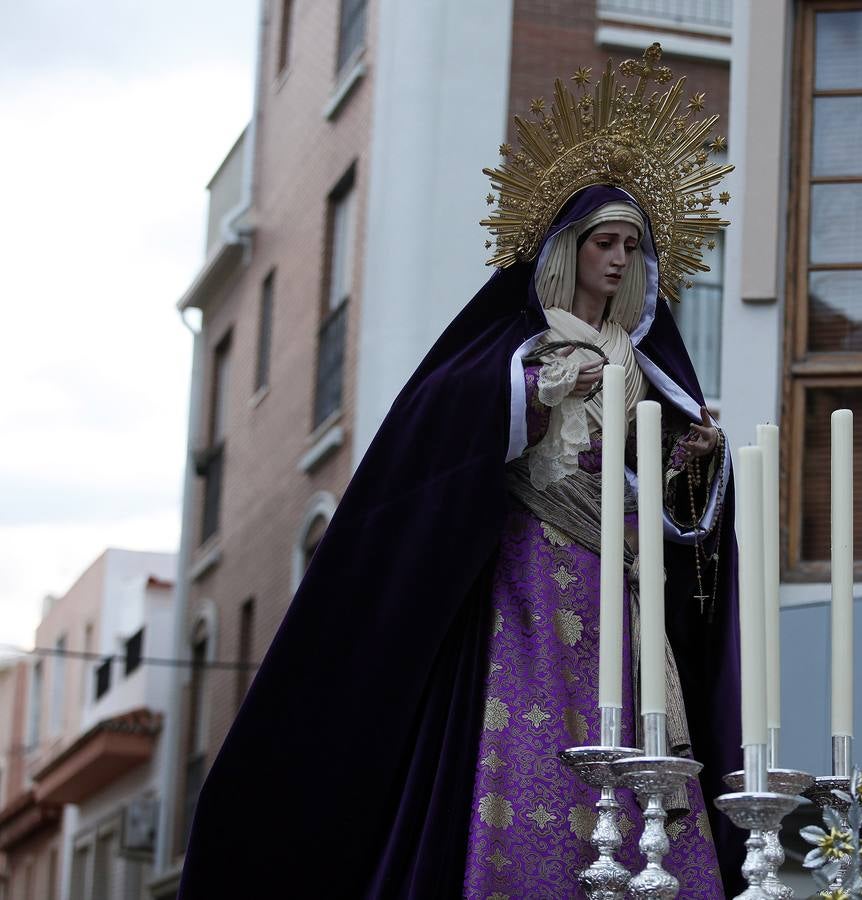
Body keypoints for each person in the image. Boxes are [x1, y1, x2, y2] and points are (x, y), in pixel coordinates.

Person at [178, 47, 742, 899]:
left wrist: (691, 468)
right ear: (567, 249)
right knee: (529, 745)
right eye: (605, 243)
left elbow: (654, 504)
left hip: (622, 594)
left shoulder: (645, 365)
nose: (621, 260)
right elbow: (447, 434)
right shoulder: (513, 352)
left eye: (633, 246)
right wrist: (542, 390)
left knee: (643, 748)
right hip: (530, 584)